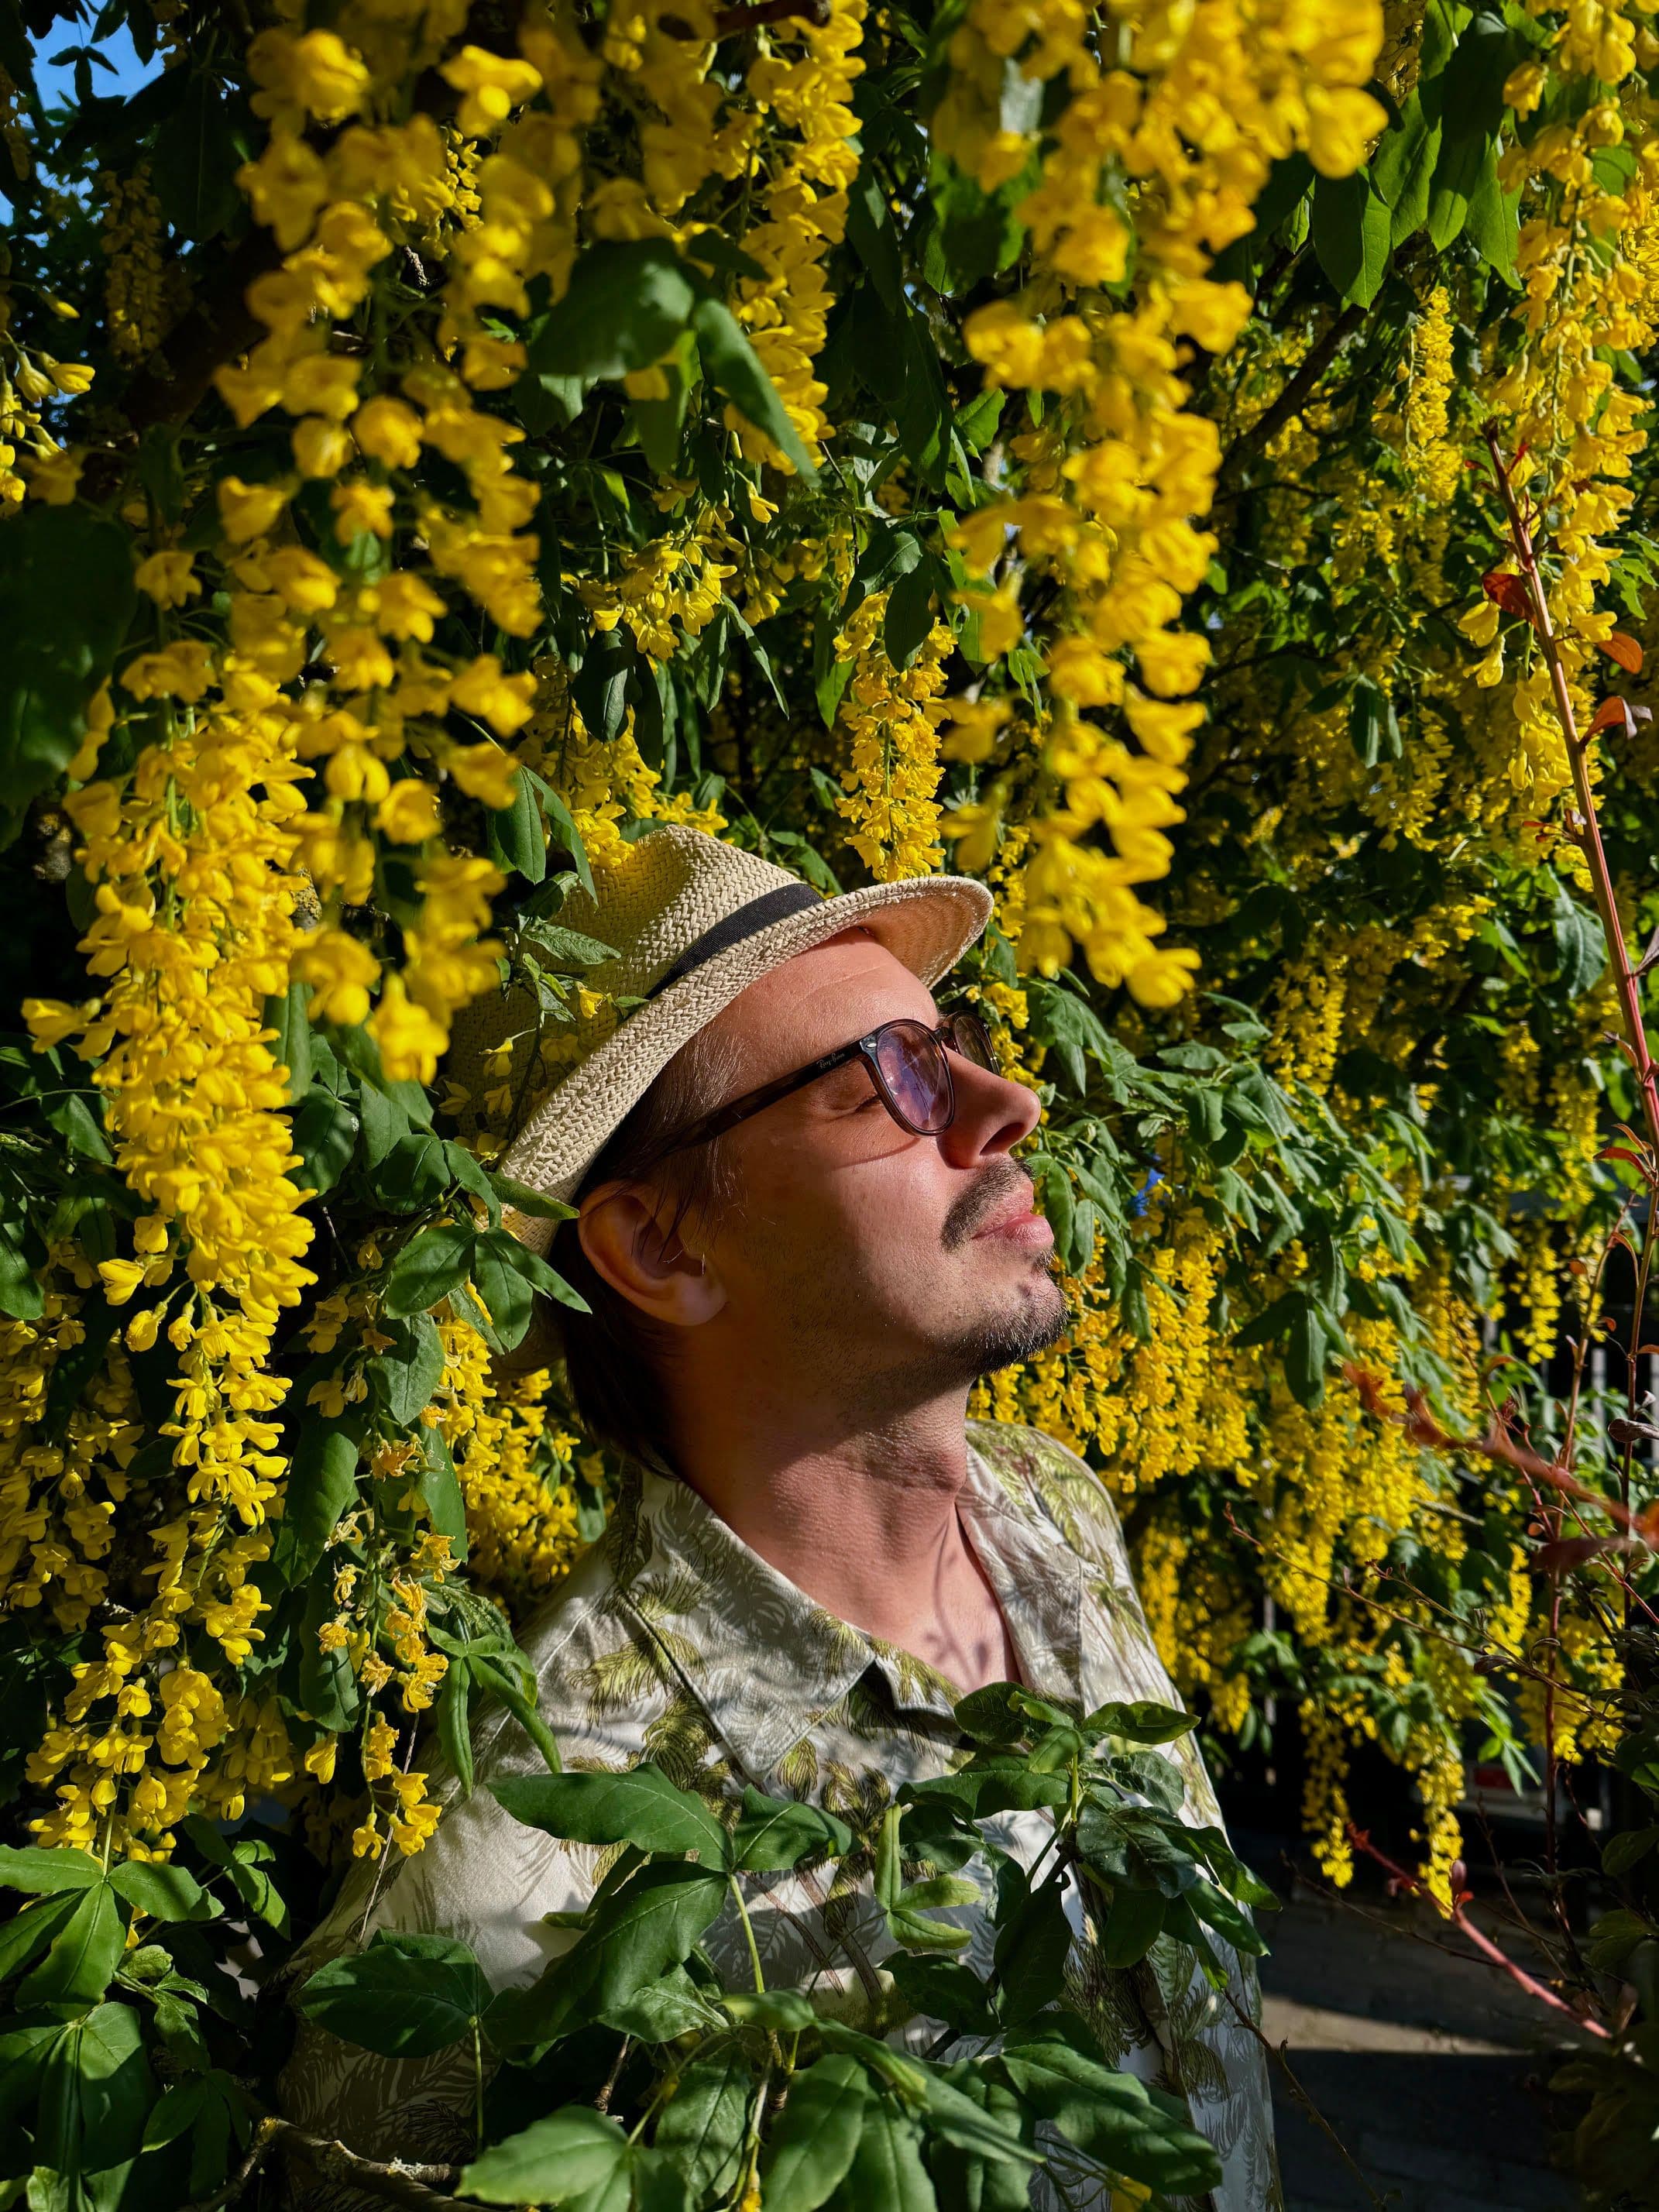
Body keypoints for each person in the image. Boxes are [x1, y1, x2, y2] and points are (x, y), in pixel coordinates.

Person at [280, 824, 1280, 2210]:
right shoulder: (516, 1877)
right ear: (660, 1246)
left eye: (957, 1042)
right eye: (889, 1074)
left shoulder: (1053, 1506)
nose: (1007, 1103)